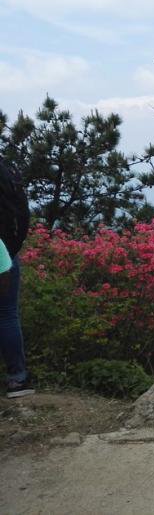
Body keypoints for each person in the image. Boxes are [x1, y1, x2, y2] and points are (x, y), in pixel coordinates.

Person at [0, 156, 33, 398]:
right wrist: (12, 247)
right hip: (4, 250)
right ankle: (17, 379)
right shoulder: (4, 169)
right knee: (6, 313)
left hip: (5, 251)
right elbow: (21, 212)